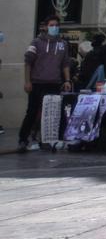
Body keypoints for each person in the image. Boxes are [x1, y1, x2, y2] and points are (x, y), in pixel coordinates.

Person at [18, 18, 74, 151]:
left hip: (54, 83)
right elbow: (28, 62)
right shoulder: (36, 42)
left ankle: (51, 139)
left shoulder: (63, 44)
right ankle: (23, 139)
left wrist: (67, 80)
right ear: (46, 27)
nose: (54, 27)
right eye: (51, 25)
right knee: (32, 112)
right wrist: (27, 81)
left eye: (56, 25)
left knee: (54, 112)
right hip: (37, 82)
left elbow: (65, 63)